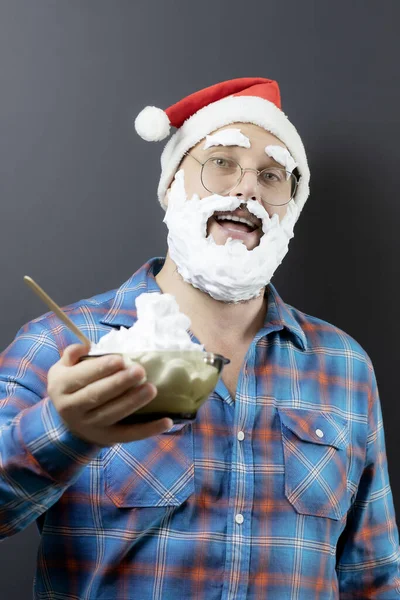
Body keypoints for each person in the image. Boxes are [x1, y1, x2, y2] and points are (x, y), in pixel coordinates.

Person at [0, 77, 399, 599]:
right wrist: (63, 429)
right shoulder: (58, 344)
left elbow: (374, 579)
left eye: (272, 175)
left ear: (292, 209)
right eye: (222, 163)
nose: (247, 188)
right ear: (170, 186)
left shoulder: (344, 366)